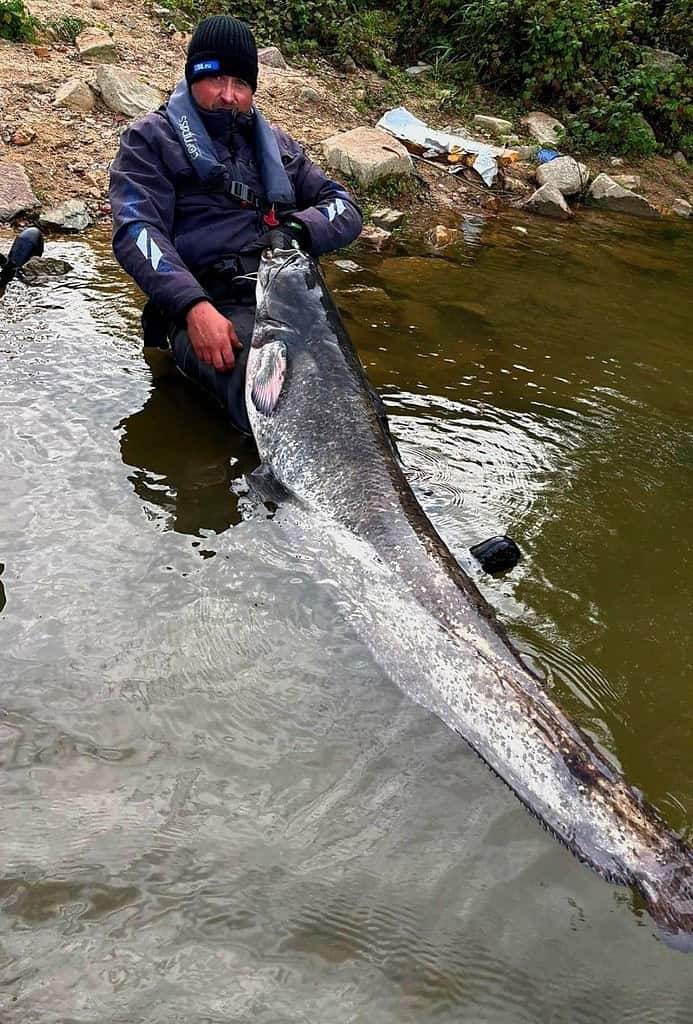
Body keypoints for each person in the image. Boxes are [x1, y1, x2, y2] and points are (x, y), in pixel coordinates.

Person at [109, 15, 362, 433]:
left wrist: (298, 229)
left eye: (241, 84)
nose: (228, 95)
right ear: (193, 77)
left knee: (352, 402)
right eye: (217, 79)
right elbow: (137, 230)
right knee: (275, 405)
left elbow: (343, 206)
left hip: (287, 298)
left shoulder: (278, 146)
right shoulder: (149, 140)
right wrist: (193, 307)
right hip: (212, 306)